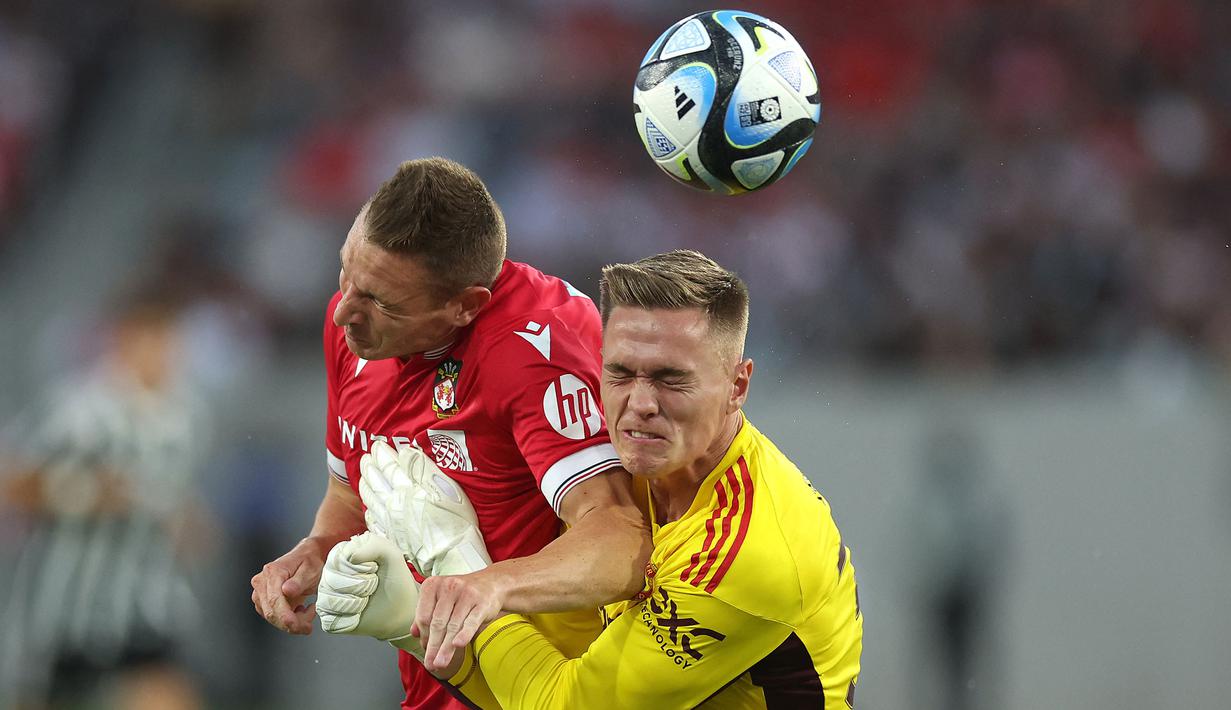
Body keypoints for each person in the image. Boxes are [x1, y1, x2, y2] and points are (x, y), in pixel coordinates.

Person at [326, 249, 864, 707]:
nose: (640, 405)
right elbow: (528, 682)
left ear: (737, 386)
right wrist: (417, 625)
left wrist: (455, 559)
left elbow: (563, 702)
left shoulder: (748, 554)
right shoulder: (615, 478)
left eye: (672, 379)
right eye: (621, 374)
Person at [249, 157, 651, 709]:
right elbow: (351, 491)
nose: (345, 312)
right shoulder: (354, 329)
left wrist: (485, 585)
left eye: (382, 302)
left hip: (549, 690)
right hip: (438, 686)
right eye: (346, 275)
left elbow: (620, 537)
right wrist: (315, 551)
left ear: (465, 307)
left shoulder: (533, 352)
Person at [0, 291, 210, 710]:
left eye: (172, 342)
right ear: (124, 340)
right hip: (65, 609)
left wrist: (188, 521)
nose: (166, 354)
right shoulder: (80, 410)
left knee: (169, 696)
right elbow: (13, 482)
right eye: (155, 340)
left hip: (144, 602)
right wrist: (89, 493)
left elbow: (167, 493)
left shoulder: (187, 414)